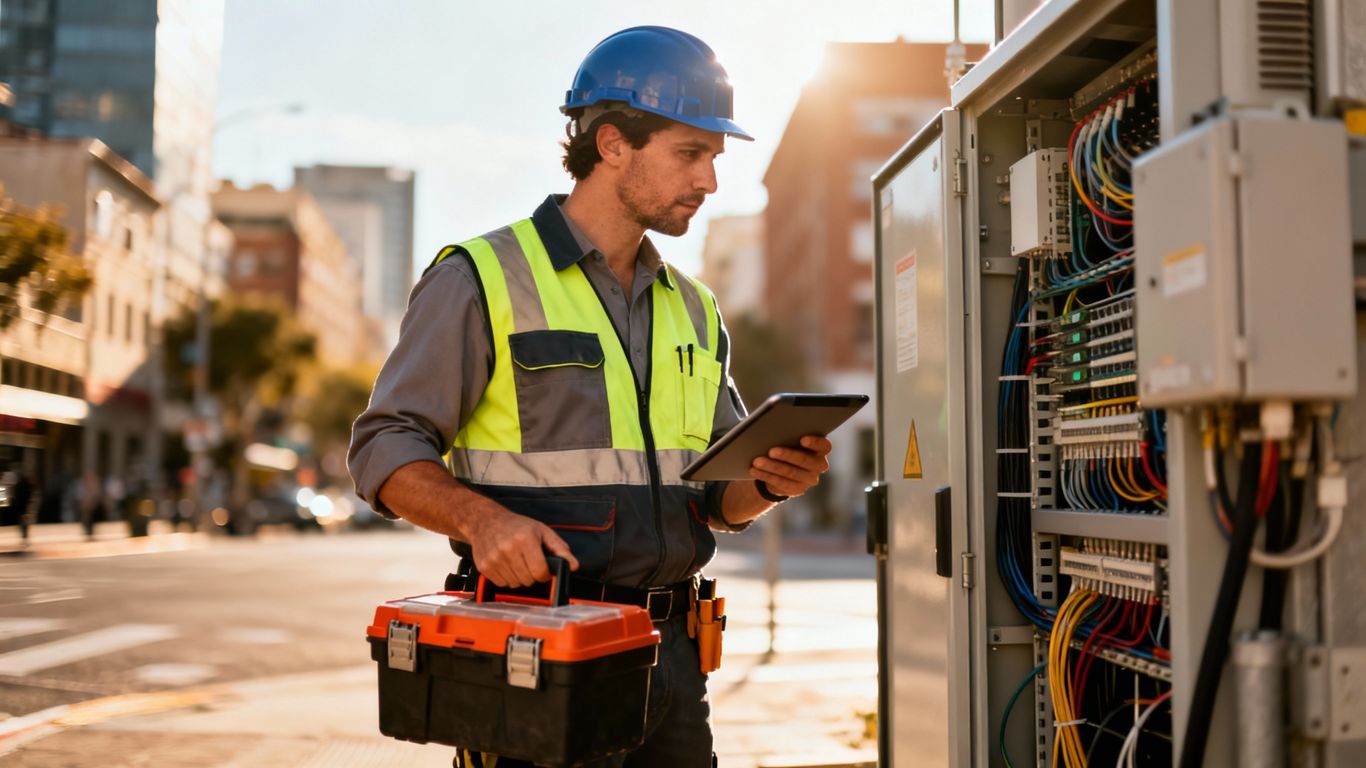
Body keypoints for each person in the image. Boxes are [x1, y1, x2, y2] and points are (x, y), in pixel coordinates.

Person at [348, 26, 833, 767]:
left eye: (713, 159)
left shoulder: (694, 307)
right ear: (612, 144)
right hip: (536, 652)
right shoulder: (482, 277)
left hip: (671, 662)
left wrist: (766, 485)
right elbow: (383, 447)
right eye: (690, 153)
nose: (709, 181)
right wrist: (482, 522)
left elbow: (716, 502)